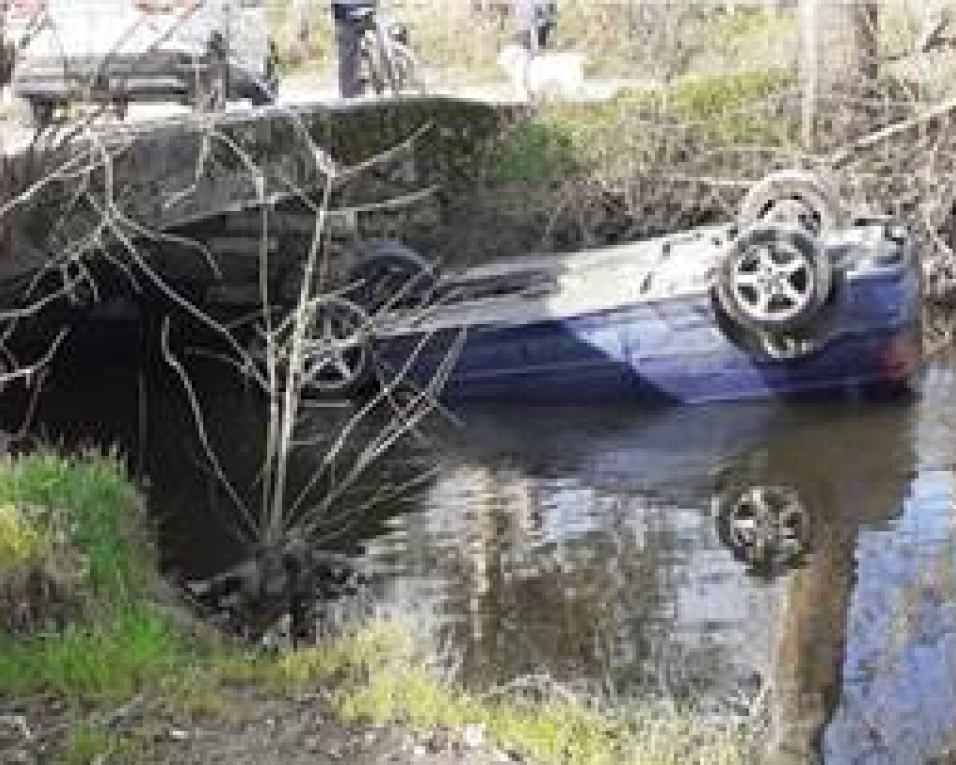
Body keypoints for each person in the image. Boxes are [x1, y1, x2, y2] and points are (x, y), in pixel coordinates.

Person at [330, 0, 376, 98]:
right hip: (350, 9)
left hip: (346, 10)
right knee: (349, 47)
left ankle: (350, 97)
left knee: (348, 50)